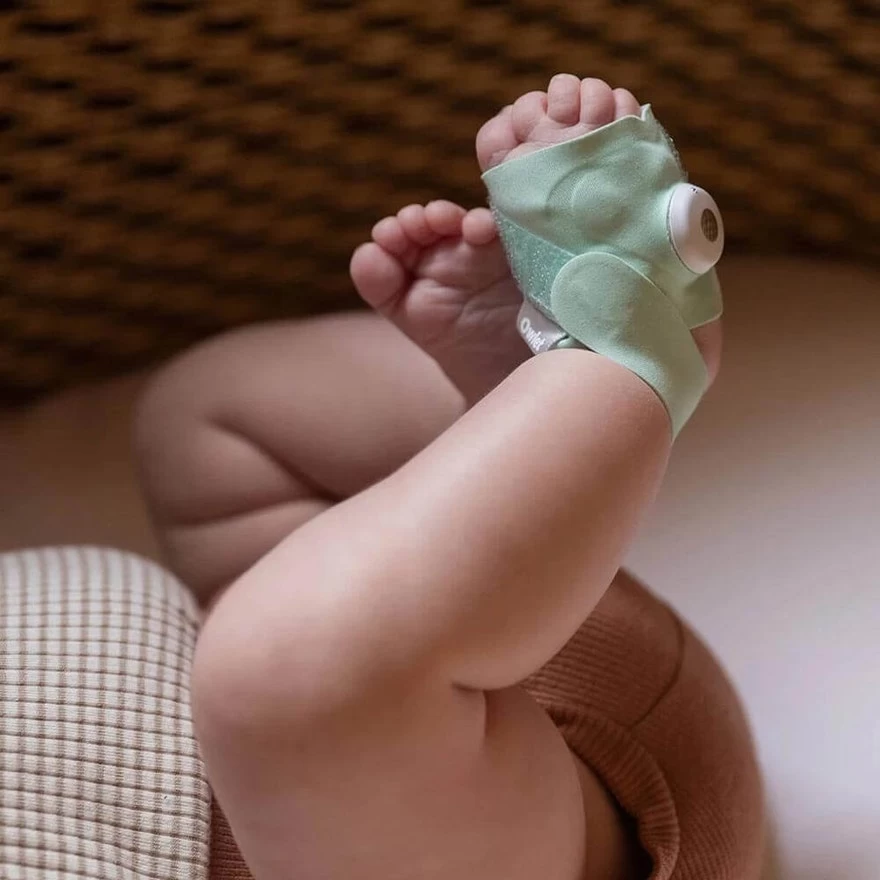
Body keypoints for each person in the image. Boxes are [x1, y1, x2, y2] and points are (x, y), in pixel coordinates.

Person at [135, 75, 764, 879]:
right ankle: (615, 369)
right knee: (287, 681)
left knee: (204, 420)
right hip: (542, 821)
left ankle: (535, 410)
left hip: (474, 673)